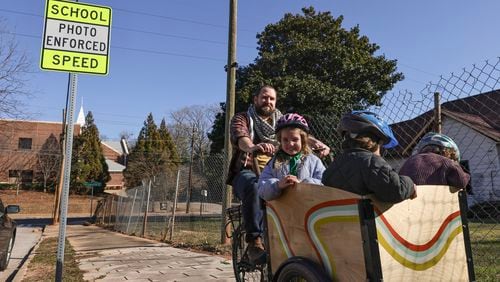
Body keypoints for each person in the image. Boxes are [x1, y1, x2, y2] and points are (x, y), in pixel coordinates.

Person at [227, 85, 329, 263]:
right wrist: (252, 147)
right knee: (254, 185)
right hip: (248, 170)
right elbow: (240, 136)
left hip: (280, 171)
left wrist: (318, 144)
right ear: (255, 99)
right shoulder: (243, 118)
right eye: (264, 97)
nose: (268, 101)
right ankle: (254, 242)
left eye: (272, 99)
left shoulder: (280, 120)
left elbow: (298, 133)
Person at [322, 110, 416, 203]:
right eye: (381, 144)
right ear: (376, 141)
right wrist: (410, 185)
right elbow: (396, 191)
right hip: (364, 217)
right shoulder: (372, 162)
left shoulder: (333, 166)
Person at [258, 113, 326, 201]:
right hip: (282, 211)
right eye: (285, 140)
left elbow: (324, 186)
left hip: (308, 210)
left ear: (303, 140)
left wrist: (302, 185)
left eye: (295, 139)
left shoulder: (314, 161)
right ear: (280, 141)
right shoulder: (274, 163)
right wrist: (278, 185)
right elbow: (261, 190)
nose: (290, 144)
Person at [399, 132, 470, 189]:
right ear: (447, 152)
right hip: (435, 203)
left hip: (409, 203)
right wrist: (466, 175)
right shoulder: (446, 162)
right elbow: (462, 182)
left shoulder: (408, 161)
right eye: (452, 157)